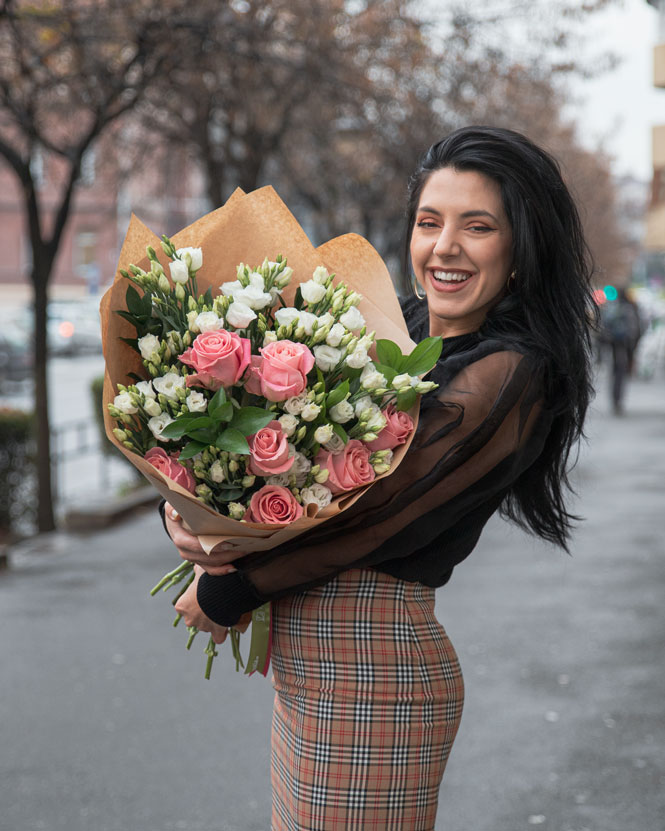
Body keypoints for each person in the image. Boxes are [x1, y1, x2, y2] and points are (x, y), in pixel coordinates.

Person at [161, 126, 596, 831]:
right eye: (429, 222)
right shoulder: (398, 323)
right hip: (315, 667)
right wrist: (189, 503)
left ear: (521, 247)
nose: (443, 246)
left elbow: (377, 514)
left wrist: (230, 582)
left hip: (371, 670)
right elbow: (291, 454)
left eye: (477, 226)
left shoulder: (511, 370)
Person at [599, 288, 642, 414]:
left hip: (612, 344)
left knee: (615, 372)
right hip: (624, 346)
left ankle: (614, 398)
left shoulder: (612, 307)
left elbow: (603, 328)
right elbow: (635, 330)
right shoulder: (628, 309)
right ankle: (617, 399)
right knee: (620, 372)